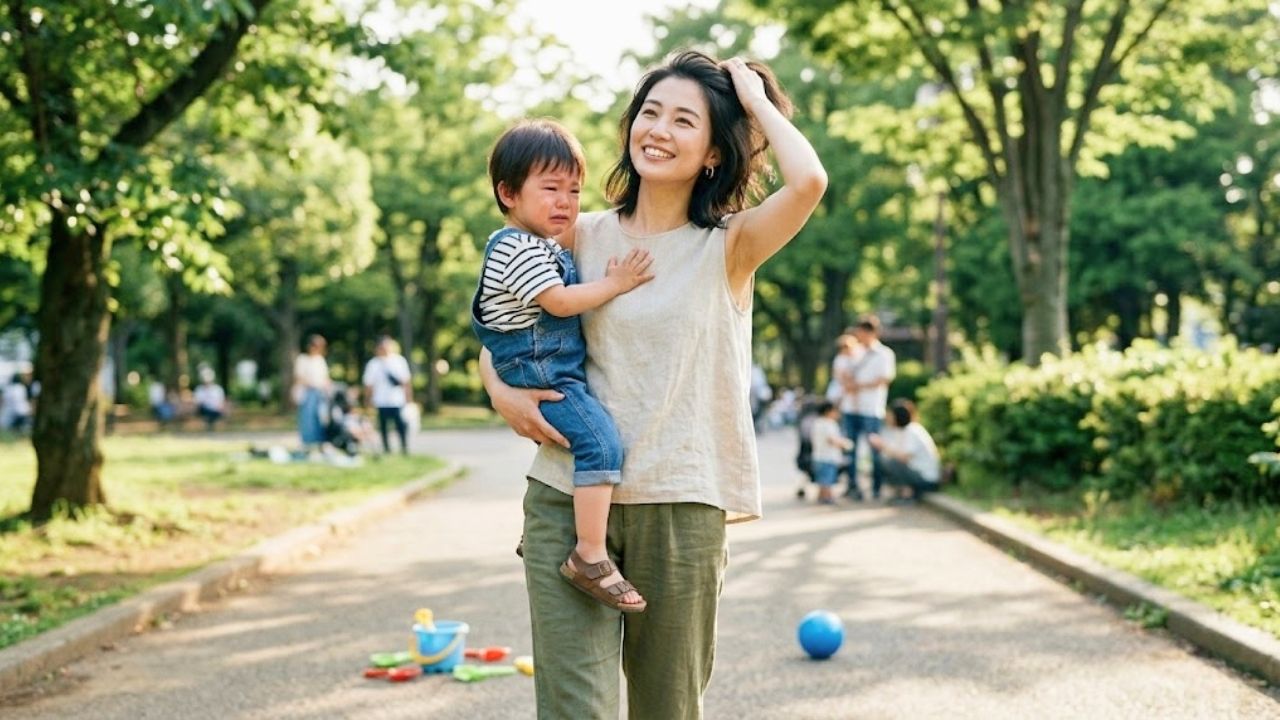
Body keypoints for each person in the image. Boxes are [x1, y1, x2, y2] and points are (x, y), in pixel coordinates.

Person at [479, 50, 826, 719]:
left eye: (683, 120)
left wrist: (752, 99)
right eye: (650, 112)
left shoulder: (730, 245)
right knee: (573, 708)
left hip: (680, 505)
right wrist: (500, 389)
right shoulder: (572, 233)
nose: (658, 129)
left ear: (714, 154)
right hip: (566, 497)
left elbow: (808, 181)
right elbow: (499, 320)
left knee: (666, 708)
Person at [472, 118, 656, 614]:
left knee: (584, 445)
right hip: (542, 374)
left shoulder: (542, 245)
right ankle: (589, 556)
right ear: (508, 193)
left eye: (574, 191)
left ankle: (544, 539)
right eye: (550, 189)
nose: (566, 203)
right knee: (599, 441)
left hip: (549, 369)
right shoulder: (514, 248)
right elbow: (557, 302)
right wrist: (616, 283)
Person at [840, 314, 896, 500]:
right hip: (851, 407)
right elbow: (843, 372)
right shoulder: (854, 352)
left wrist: (859, 386)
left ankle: (876, 487)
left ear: (871, 332)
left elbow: (884, 380)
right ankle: (853, 486)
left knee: (874, 450)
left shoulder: (884, 354)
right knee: (851, 449)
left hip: (871, 408)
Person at [869, 398, 941, 504]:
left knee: (891, 463)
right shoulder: (902, 431)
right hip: (917, 473)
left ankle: (907, 494)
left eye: (890, 415)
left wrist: (882, 446)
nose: (887, 418)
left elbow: (903, 458)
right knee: (883, 460)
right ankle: (904, 492)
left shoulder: (912, 431)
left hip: (926, 478)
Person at [361, 336, 413, 455]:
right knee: (383, 426)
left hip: (396, 400)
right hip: (381, 400)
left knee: (400, 424)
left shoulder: (399, 361)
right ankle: (386, 448)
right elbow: (369, 384)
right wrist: (367, 401)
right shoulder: (373, 364)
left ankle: (404, 447)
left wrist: (408, 398)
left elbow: (406, 382)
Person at [292, 334, 331, 452]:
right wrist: (313, 384)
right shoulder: (302, 359)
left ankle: (321, 442)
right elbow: (299, 377)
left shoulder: (320, 360)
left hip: (320, 393)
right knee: (307, 418)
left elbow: (325, 378)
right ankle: (307, 443)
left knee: (321, 418)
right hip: (308, 393)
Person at [809, 400, 853, 505]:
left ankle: (820, 496)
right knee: (827, 480)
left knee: (822, 479)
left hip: (818, 456)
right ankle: (828, 497)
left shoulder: (817, 423)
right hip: (828, 457)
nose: (838, 414)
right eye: (836, 411)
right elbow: (832, 439)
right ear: (828, 412)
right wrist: (845, 444)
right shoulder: (829, 424)